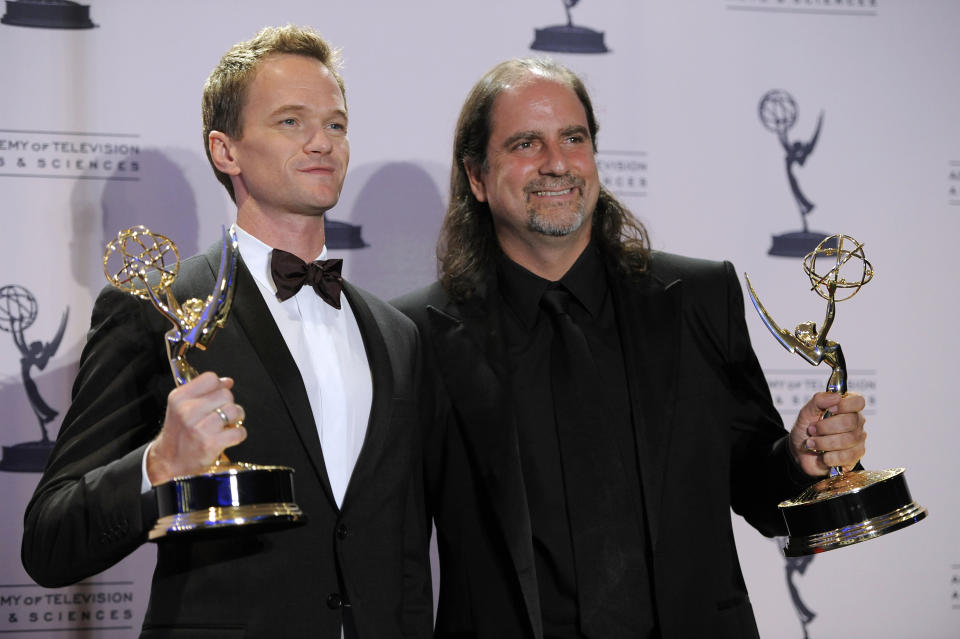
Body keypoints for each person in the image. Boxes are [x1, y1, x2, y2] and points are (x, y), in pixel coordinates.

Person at [392, 58, 866, 639]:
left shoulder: (699, 298)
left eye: (574, 138)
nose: (557, 163)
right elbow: (397, 551)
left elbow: (760, 492)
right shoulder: (418, 334)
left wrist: (800, 462)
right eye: (525, 143)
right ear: (477, 177)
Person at [22, 25, 432, 639]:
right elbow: (50, 542)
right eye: (290, 122)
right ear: (225, 151)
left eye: (337, 124)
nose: (322, 141)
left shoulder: (397, 335)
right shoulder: (154, 311)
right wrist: (158, 464)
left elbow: (402, 553)